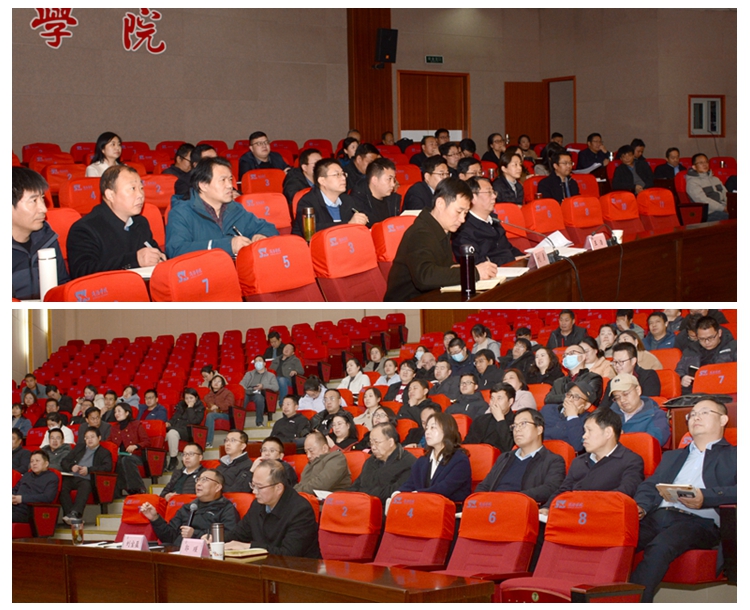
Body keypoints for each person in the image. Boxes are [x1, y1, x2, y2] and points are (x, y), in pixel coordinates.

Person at [630, 399, 736, 603]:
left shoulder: (735, 455)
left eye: (704, 412)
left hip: (699, 522)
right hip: (657, 516)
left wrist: (707, 497)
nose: (696, 417)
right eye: (692, 414)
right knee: (620, 539)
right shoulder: (673, 456)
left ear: (723, 420)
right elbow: (650, 485)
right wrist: (641, 506)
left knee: (660, 547)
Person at [385, 178, 498, 301]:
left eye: (465, 213)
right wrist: (472, 272)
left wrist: (457, 268)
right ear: (440, 204)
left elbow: (442, 268)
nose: (462, 219)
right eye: (458, 211)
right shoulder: (420, 233)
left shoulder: (441, 229)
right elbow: (425, 277)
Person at [166, 156, 279, 259]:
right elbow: (176, 250)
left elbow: (268, 227)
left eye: (230, 179)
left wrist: (261, 235)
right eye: (223, 180)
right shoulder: (181, 213)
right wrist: (228, 245)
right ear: (203, 185)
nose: (230, 185)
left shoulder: (235, 208)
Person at [67, 165, 165, 279]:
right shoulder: (84, 229)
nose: (140, 195)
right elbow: (83, 271)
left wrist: (159, 258)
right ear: (110, 195)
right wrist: (134, 260)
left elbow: (155, 252)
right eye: (132, 188)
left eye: (141, 188)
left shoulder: (141, 223)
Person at [541, 407, 644, 513]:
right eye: (584, 431)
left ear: (608, 433)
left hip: (605, 515)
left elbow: (624, 494)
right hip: (573, 515)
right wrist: (548, 507)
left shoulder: (631, 461)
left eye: (589, 431)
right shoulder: (579, 462)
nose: (584, 436)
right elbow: (564, 490)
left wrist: (582, 504)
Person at [222, 460, 320, 558]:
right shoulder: (258, 504)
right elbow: (238, 533)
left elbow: (289, 554)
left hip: (298, 565)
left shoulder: (301, 510)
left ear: (278, 488)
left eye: (259, 487)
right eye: (253, 485)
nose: (254, 491)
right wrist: (217, 540)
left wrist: (249, 547)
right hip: (263, 563)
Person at [475, 407, 566, 506]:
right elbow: (485, 486)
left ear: (539, 429)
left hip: (521, 507)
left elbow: (551, 488)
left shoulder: (553, 460)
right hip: (493, 506)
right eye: (514, 426)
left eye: (523, 423)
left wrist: (514, 498)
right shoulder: (505, 457)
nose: (517, 429)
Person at [12, 167, 70, 300]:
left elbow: (61, 285)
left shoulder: (47, 238)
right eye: (33, 201)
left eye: (42, 198)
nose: (43, 209)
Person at [140, 469, 239, 545]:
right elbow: (169, 537)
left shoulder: (226, 509)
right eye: (198, 480)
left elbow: (228, 537)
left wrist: (195, 534)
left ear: (217, 487)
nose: (198, 484)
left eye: (204, 480)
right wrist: (155, 518)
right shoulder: (188, 508)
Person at [397, 412, 471, 503]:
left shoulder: (460, 460)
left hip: (449, 508)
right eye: (427, 428)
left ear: (447, 430)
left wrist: (417, 495)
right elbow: (410, 483)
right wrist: (398, 494)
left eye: (433, 427)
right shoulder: (421, 461)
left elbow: (445, 488)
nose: (427, 432)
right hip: (422, 505)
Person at [453, 176, 522, 267]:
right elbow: (476, 263)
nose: (494, 196)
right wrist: (512, 259)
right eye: (489, 192)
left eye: (493, 192)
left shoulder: (493, 221)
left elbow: (508, 249)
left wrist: (525, 257)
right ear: (473, 197)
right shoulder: (463, 228)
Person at [292, 158, 367, 236]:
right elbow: (310, 231)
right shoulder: (307, 202)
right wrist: (348, 224)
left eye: (343, 174)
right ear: (322, 181)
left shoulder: (347, 200)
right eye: (337, 175)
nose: (343, 178)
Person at [348, 423, 417, 506]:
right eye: (371, 443)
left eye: (376, 442)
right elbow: (357, 485)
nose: (373, 447)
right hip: (362, 506)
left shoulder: (408, 462)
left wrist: (364, 493)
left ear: (390, 442)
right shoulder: (370, 461)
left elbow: (394, 492)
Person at [59, 427, 113, 523]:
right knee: (62, 486)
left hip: (89, 479)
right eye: (87, 437)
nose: (89, 440)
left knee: (85, 485)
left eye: (92, 437)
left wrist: (89, 470)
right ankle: (69, 514)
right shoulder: (79, 448)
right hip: (73, 476)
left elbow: (107, 468)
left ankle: (75, 513)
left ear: (99, 438)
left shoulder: (104, 452)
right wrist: (71, 466)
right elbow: (64, 461)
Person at [675, 316, 737, 393]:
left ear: (719, 333)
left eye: (710, 338)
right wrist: (682, 378)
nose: (707, 342)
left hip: (727, 390)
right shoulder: (690, 350)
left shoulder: (734, 348)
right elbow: (679, 370)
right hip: (697, 392)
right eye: (702, 339)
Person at [540, 376, 600, 453]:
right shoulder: (548, 409)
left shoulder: (588, 420)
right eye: (569, 394)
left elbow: (578, 446)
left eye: (576, 397)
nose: (570, 399)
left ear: (586, 405)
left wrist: (572, 417)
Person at [608, 373, 670, 446]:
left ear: (638, 390)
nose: (622, 400)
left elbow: (653, 444)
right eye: (617, 397)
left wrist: (623, 438)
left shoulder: (656, 416)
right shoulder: (608, 416)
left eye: (625, 394)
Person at [599, 342, 661, 409]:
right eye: (615, 362)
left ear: (633, 361)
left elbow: (648, 404)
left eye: (621, 362)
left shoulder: (648, 376)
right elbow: (603, 408)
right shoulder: (613, 382)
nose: (617, 366)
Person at [109, 403, 151, 496]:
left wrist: (135, 446)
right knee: (117, 460)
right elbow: (109, 443)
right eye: (115, 412)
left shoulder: (136, 425)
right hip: (120, 456)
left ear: (127, 413)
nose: (116, 414)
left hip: (136, 456)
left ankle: (139, 488)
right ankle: (125, 489)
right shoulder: (114, 428)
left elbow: (147, 441)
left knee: (126, 459)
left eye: (119, 411)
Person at [464, 382, 516, 451]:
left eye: (499, 398)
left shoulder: (516, 422)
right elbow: (467, 446)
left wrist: (500, 420)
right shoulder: (480, 420)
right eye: (492, 398)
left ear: (510, 401)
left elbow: (510, 448)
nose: (494, 402)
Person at [350, 157, 402, 226]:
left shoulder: (392, 199)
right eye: (389, 179)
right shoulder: (357, 202)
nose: (393, 184)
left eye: (394, 179)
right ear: (375, 180)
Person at [12, 450, 59, 523]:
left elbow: (47, 497)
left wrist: (22, 499)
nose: (34, 463)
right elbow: (15, 489)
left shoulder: (52, 477)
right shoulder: (27, 475)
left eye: (37, 461)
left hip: (29, 512)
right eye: (32, 461)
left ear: (46, 463)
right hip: (14, 506)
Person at [164, 388, 205, 471]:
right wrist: (169, 423)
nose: (188, 400)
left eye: (191, 398)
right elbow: (175, 417)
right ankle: (162, 463)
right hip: (176, 428)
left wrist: (190, 408)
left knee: (172, 433)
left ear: (196, 398)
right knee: (162, 435)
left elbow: (194, 422)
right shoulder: (181, 405)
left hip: (189, 431)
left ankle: (173, 459)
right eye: (186, 398)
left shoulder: (200, 407)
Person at [686, 153, 728, 221]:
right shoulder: (692, 182)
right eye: (701, 163)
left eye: (706, 162)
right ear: (694, 167)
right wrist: (723, 208)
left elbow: (726, 194)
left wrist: (731, 207)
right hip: (708, 213)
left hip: (723, 208)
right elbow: (703, 200)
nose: (704, 164)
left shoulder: (715, 179)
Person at [240, 356, 279, 427]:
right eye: (256, 361)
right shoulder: (249, 374)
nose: (258, 363)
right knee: (243, 399)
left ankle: (259, 422)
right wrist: (246, 389)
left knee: (260, 399)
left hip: (258, 393)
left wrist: (263, 386)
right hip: (247, 392)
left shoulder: (271, 375)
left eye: (260, 361)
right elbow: (241, 384)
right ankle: (239, 423)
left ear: (264, 363)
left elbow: (276, 387)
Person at [204, 374, 235, 448]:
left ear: (222, 384)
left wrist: (218, 406)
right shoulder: (208, 396)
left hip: (226, 414)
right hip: (214, 414)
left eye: (219, 381)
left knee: (210, 415)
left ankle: (208, 442)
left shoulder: (228, 393)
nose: (216, 383)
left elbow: (229, 404)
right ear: (211, 383)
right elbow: (208, 404)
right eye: (214, 381)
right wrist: (211, 406)